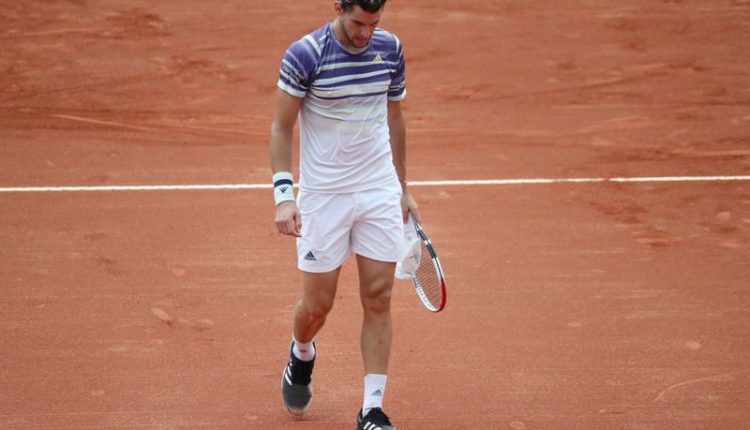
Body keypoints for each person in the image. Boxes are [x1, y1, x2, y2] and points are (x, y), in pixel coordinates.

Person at [268, 0, 418, 428]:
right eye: (357, 23)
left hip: (377, 189)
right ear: (338, 6)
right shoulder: (306, 55)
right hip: (324, 196)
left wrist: (403, 189)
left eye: (374, 23)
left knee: (379, 297)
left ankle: (372, 409)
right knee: (318, 306)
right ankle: (301, 353)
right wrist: (284, 196)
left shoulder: (389, 49)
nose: (365, 34)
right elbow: (281, 126)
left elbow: (395, 120)